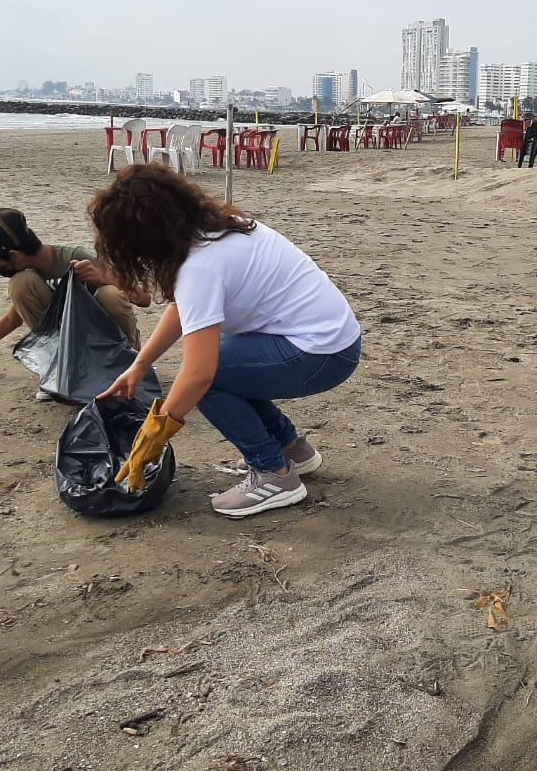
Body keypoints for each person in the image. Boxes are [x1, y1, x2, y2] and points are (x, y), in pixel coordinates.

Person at [90, 164, 362, 519]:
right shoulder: (215, 230)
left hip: (320, 353)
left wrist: (152, 439)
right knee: (223, 363)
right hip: (332, 341)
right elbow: (184, 309)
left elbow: (200, 374)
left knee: (208, 377)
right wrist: (139, 365)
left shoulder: (199, 267)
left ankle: (273, 475)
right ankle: (291, 450)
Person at [0, 208, 150, 397]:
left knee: (109, 294)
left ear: (14, 256)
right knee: (21, 283)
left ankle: (128, 364)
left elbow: (143, 299)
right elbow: (12, 319)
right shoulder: (31, 278)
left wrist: (103, 278)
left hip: (109, 343)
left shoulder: (76, 257)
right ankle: (59, 369)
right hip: (74, 352)